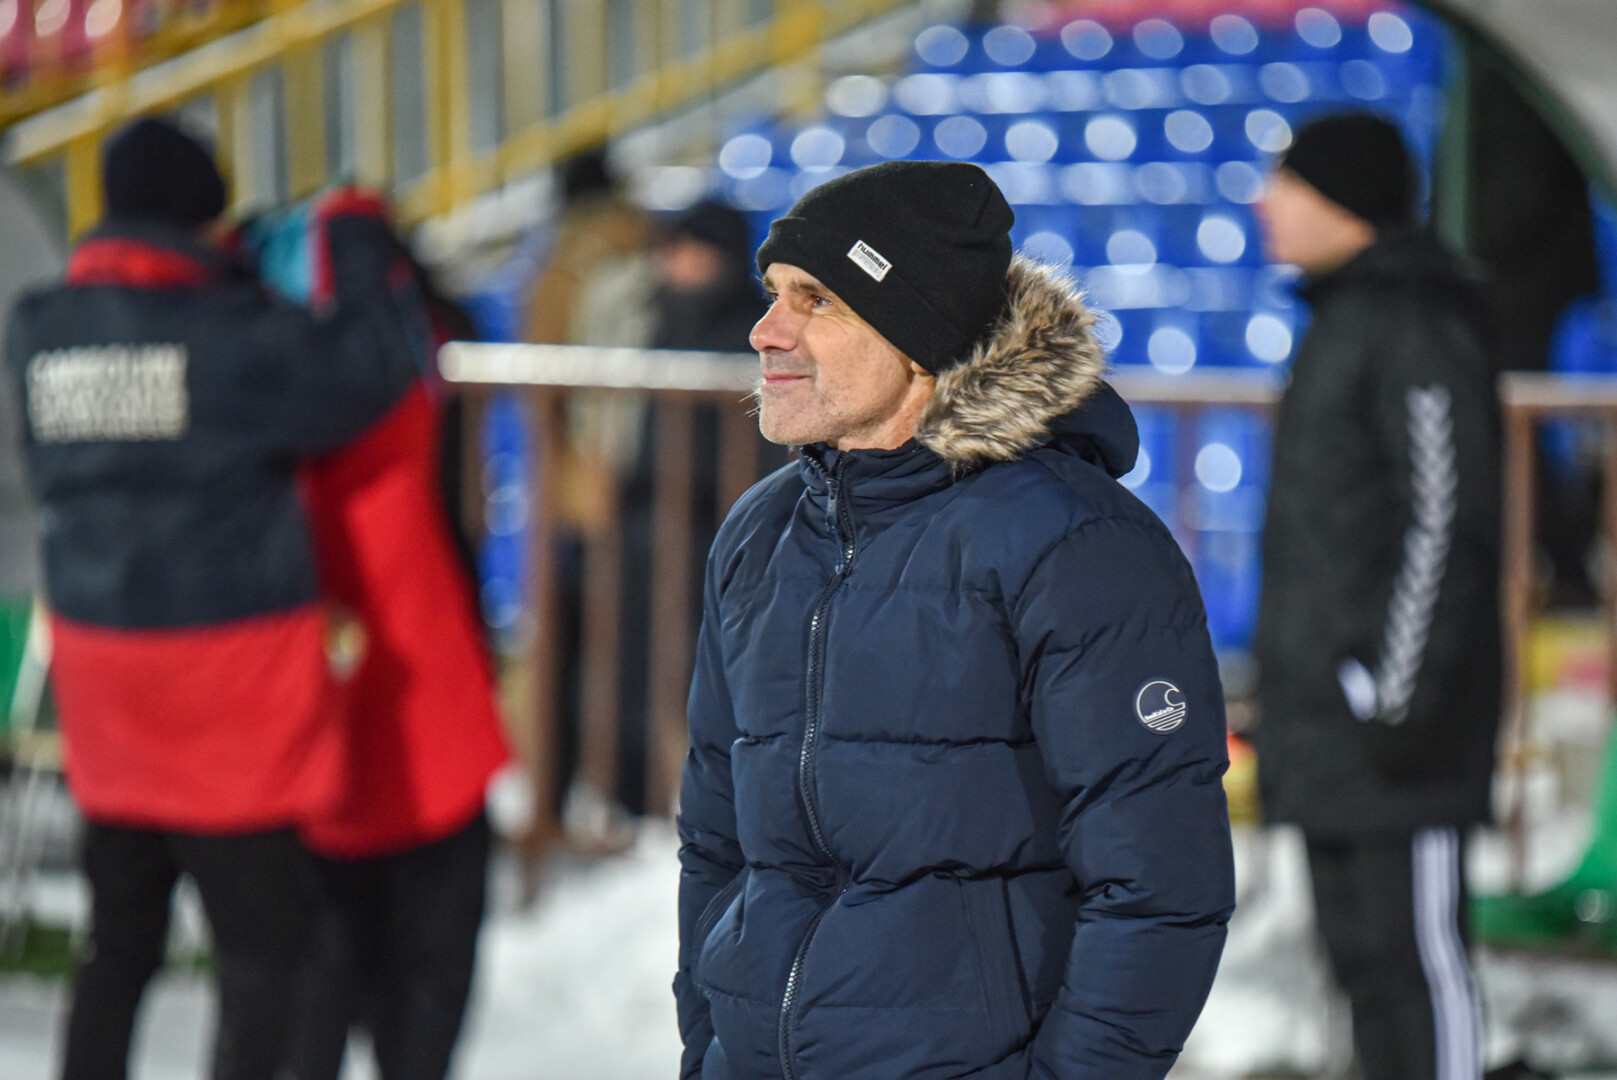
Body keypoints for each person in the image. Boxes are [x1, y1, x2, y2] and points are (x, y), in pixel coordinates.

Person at [674, 160, 1235, 1079]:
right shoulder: (760, 533)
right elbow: (714, 842)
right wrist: (710, 1047)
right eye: (774, 294)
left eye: (816, 300)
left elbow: (1158, 885)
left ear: (917, 335)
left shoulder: (1074, 542)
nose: (766, 330)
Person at [3, 117, 421, 1080]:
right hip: (225, 689)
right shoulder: (231, 336)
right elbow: (369, 372)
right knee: (267, 950)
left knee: (119, 939)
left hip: (103, 675)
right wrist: (358, 240)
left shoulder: (38, 326)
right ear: (204, 217)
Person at [1251, 113, 1501, 1080]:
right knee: (1362, 971)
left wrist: (1396, 697)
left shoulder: (1414, 321)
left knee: (1415, 971)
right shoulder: (1338, 320)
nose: (1264, 201)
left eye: (1288, 182)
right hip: (1330, 723)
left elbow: (1444, 520)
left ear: (1344, 199)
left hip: (1398, 733)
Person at [274, 200, 512, 1080]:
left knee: (322, 968)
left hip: (333, 673)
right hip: (413, 669)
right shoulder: (410, 350)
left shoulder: (261, 362)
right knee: (421, 965)